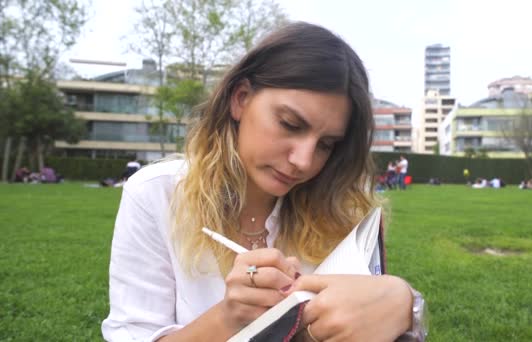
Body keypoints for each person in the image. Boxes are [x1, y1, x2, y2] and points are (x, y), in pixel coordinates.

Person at [102, 23, 426, 342]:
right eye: (290, 124)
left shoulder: (343, 212)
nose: (304, 160)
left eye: (326, 144)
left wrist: (402, 302)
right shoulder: (156, 195)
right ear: (241, 99)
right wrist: (227, 319)